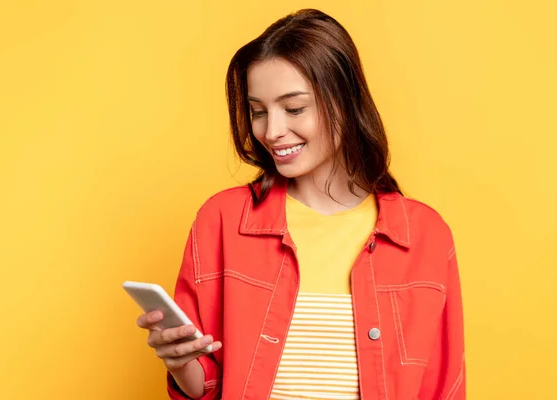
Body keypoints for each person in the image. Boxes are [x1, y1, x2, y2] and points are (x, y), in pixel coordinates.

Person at [136, 8, 465, 400]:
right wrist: (179, 362)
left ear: (345, 101)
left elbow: (444, 387)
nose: (271, 132)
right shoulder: (221, 220)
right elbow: (206, 388)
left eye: (294, 108)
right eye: (258, 112)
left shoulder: (424, 235)